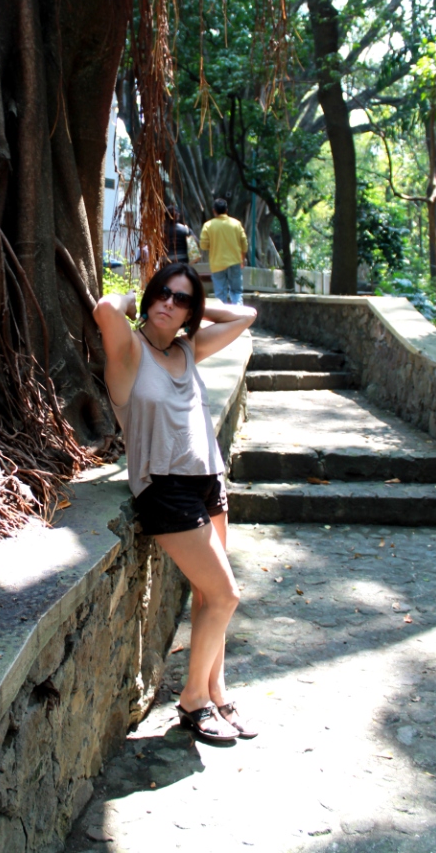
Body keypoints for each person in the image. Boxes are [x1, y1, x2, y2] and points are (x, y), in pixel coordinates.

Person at [93, 263, 258, 743]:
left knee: (212, 597)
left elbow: (245, 314)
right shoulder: (128, 352)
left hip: (208, 480)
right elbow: (106, 308)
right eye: (162, 293)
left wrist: (196, 311)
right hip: (164, 487)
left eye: (181, 299)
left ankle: (217, 690)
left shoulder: (188, 348)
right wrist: (135, 298)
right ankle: (193, 702)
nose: (169, 302)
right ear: (148, 298)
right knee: (226, 594)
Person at [200, 198, 248, 305]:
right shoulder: (236, 224)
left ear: (214, 211)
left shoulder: (208, 225)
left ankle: (223, 318)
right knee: (236, 292)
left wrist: (214, 243)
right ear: (226, 210)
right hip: (235, 262)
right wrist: (242, 259)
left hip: (217, 264)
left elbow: (203, 245)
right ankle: (238, 316)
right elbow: (244, 243)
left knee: (220, 294)